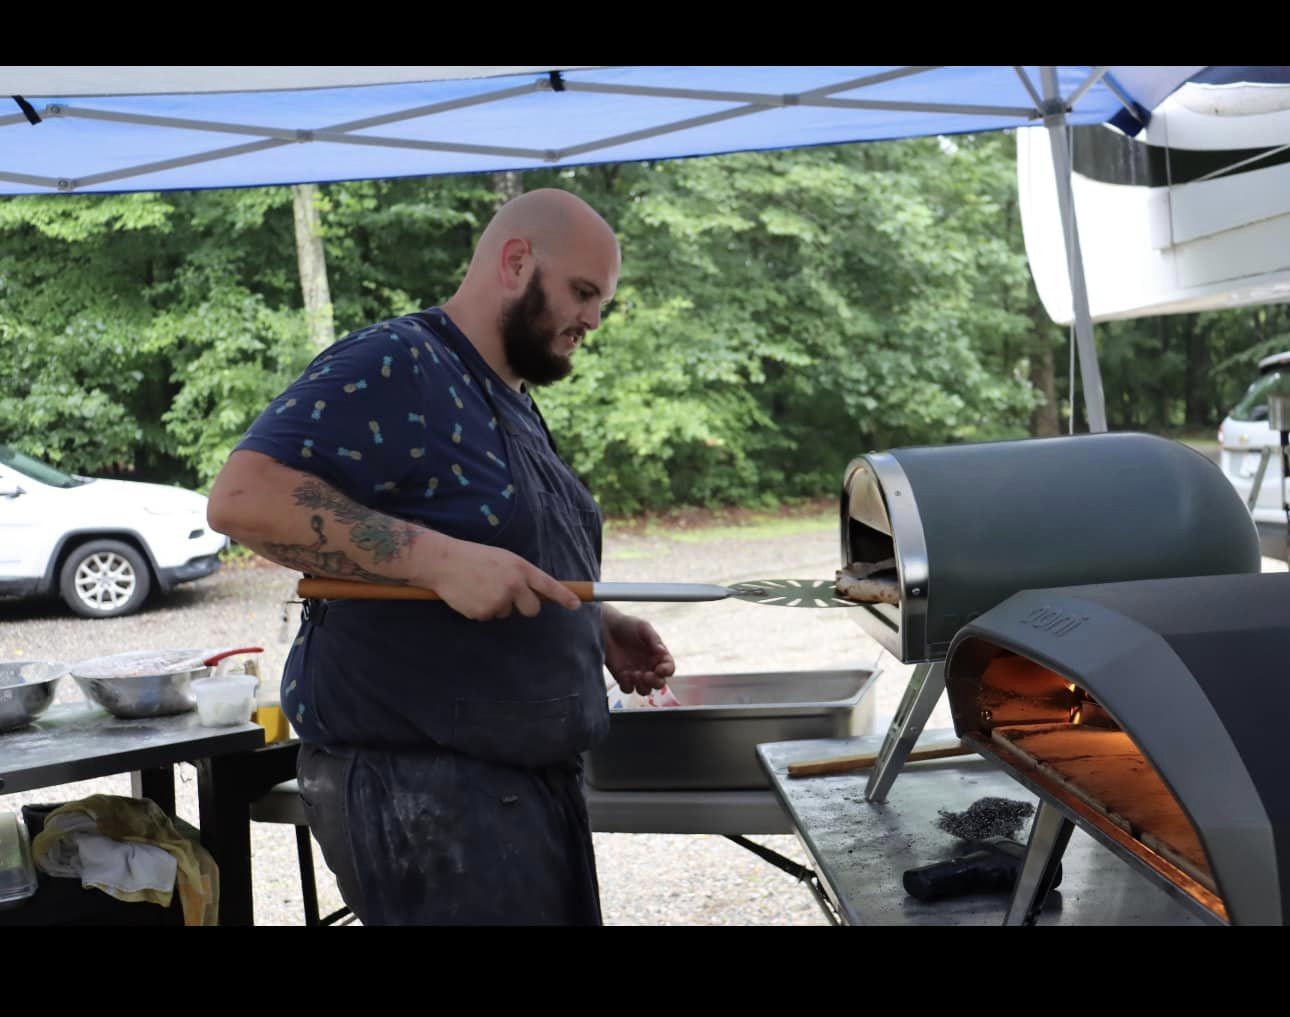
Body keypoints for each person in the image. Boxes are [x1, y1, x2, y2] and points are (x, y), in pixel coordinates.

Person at [207, 188, 675, 925]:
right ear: (517, 260)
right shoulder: (400, 362)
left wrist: (592, 618)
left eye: (601, 301)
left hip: (516, 788)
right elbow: (243, 498)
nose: (592, 319)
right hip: (422, 793)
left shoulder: (509, 395)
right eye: (583, 293)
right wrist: (434, 560)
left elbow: (496, 543)